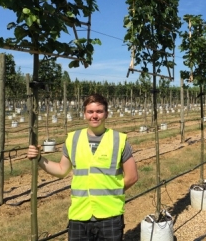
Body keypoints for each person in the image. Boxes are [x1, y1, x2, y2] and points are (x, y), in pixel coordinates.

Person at [27, 93, 138, 241]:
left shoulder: (119, 140)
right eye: (90, 112)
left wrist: (111, 192)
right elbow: (61, 170)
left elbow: (132, 177)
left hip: (110, 215)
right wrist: (39, 158)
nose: (94, 115)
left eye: (99, 111)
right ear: (84, 114)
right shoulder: (73, 139)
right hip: (79, 215)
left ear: (106, 114)